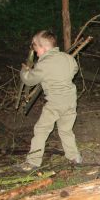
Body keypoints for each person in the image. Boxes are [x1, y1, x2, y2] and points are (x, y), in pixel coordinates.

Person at [15, 30, 82, 172]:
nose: (37, 54)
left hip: (55, 103)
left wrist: (24, 71)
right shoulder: (67, 58)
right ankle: (75, 157)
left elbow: (30, 80)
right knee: (66, 130)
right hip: (70, 101)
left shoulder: (44, 63)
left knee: (41, 130)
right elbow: (74, 69)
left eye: (37, 50)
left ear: (44, 48)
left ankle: (32, 162)